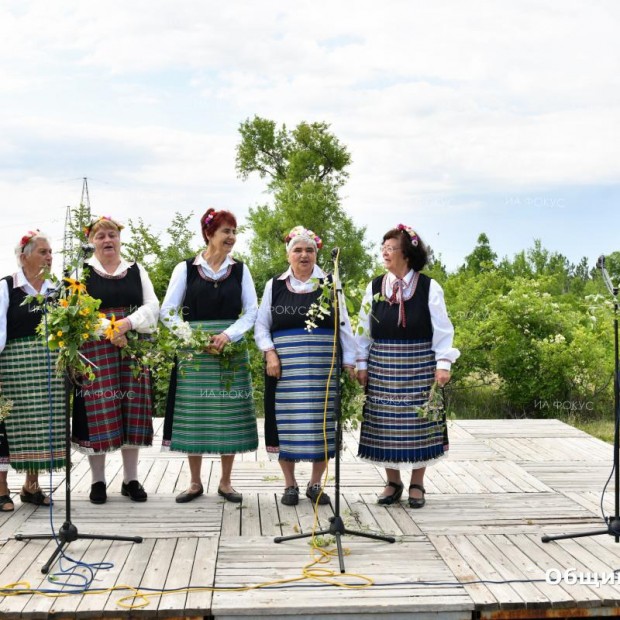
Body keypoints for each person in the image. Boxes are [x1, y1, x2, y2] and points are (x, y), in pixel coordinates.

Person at [356, 224, 459, 509]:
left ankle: (417, 483)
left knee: (420, 422)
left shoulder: (428, 286)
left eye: (391, 248)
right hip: (382, 364)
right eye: (383, 248)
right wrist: (361, 363)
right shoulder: (375, 286)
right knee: (384, 422)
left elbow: (443, 329)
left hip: (420, 363)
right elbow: (363, 328)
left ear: (408, 254)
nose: (385, 253)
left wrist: (443, 364)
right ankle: (392, 482)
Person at [160, 208, 258, 504]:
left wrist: (228, 335)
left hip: (230, 347)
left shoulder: (240, 270)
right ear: (209, 234)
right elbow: (168, 311)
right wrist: (194, 338)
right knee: (196, 414)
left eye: (233, 231)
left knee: (228, 414)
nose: (232, 237)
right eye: (225, 231)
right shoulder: (185, 269)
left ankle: (226, 483)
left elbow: (252, 310)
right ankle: (194, 482)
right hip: (195, 352)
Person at [254, 225, 356, 506]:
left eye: (309, 250)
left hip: (323, 369)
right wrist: (270, 354)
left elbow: (344, 325)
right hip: (284, 369)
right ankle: (290, 485)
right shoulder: (274, 285)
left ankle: (314, 484)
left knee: (320, 424)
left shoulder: (330, 284)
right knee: (284, 422)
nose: (304, 255)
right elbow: (262, 326)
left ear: (316, 254)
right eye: (297, 250)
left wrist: (349, 361)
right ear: (288, 255)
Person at [72, 216, 159, 505]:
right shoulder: (80, 272)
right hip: (95, 348)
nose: (107, 240)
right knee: (101, 409)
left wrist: (127, 324)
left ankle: (130, 479)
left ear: (120, 238)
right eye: (100, 237)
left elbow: (152, 306)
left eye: (112, 235)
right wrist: (111, 329)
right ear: (91, 241)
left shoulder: (136, 270)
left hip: (132, 346)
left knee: (130, 406)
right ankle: (98, 482)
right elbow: (77, 310)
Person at [0, 230, 66, 511]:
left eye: (51, 252)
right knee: (8, 424)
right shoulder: (7, 287)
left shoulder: (58, 288)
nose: (50, 257)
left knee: (43, 424)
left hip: (50, 368)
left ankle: (31, 486)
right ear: (23, 257)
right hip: (13, 368)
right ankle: (1, 488)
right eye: (43, 252)